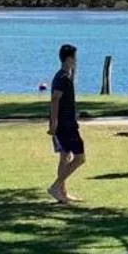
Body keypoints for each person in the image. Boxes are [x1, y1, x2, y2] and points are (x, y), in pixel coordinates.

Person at [47, 43, 85, 205]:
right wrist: (53, 123)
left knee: (65, 156)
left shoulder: (64, 76)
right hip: (66, 125)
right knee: (80, 158)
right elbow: (55, 100)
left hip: (67, 122)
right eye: (75, 58)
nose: (76, 61)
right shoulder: (62, 78)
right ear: (69, 58)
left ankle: (62, 192)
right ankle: (55, 186)